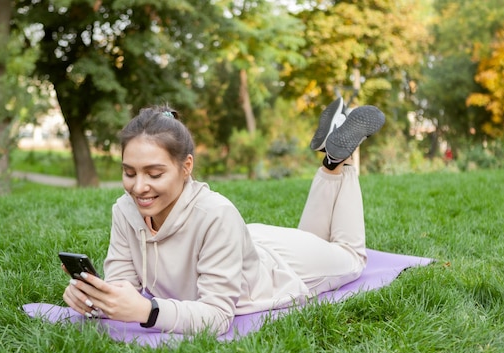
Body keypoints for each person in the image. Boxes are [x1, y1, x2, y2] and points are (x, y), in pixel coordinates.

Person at [62, 98, 385, 336]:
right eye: (129, 172)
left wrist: (149, 311)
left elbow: (218, 316)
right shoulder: (125, 209)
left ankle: (336, 160)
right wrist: (96, 297)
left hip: (278, 268)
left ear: (186, 166)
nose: (139, 187)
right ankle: (333, 157)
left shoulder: (217, 214)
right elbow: (124, 283)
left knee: (350, 256)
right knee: (315, 238)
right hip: (242, 244)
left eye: (154, 173)